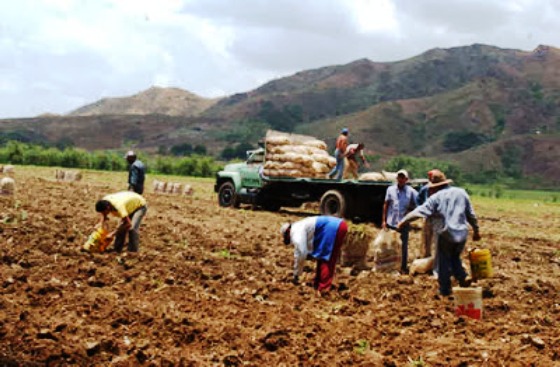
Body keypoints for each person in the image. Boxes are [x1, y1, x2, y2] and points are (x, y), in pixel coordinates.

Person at [397, 170, 481, 297]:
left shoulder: (436, 197)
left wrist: (403, 221)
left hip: (446, 233)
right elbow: (471, 214)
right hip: (462, 233)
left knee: (443, 261)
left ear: (435, 187)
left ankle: (445, 290)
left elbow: (420, 211)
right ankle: (463, 277)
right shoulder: (461, 192)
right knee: (454, 257)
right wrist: (476, 230)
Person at [280, 216, 348, 296]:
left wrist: (297, 274)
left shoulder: (296, 233)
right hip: (337, 226)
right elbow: (299, 252)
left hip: (333, 228)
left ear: (287, 232)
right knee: (322, 257)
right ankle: (318, 284)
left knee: (326, 258)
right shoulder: (298, 227)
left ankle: (324, 288)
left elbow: (302, 252)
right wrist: (297, 272)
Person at [381, 169, 418, 273]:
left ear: (406, 179)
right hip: (391, 222)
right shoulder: (390, 189)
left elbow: (418, 204)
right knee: (390, 245)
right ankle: (390, 266)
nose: (400, 180)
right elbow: (386, 204)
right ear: (396, 178)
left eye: (403, 178)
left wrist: (409, 213)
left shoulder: (411, 191)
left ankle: (403, 267)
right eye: (399, 177)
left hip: (404, 223)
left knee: (403, 246)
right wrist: (384, 221)